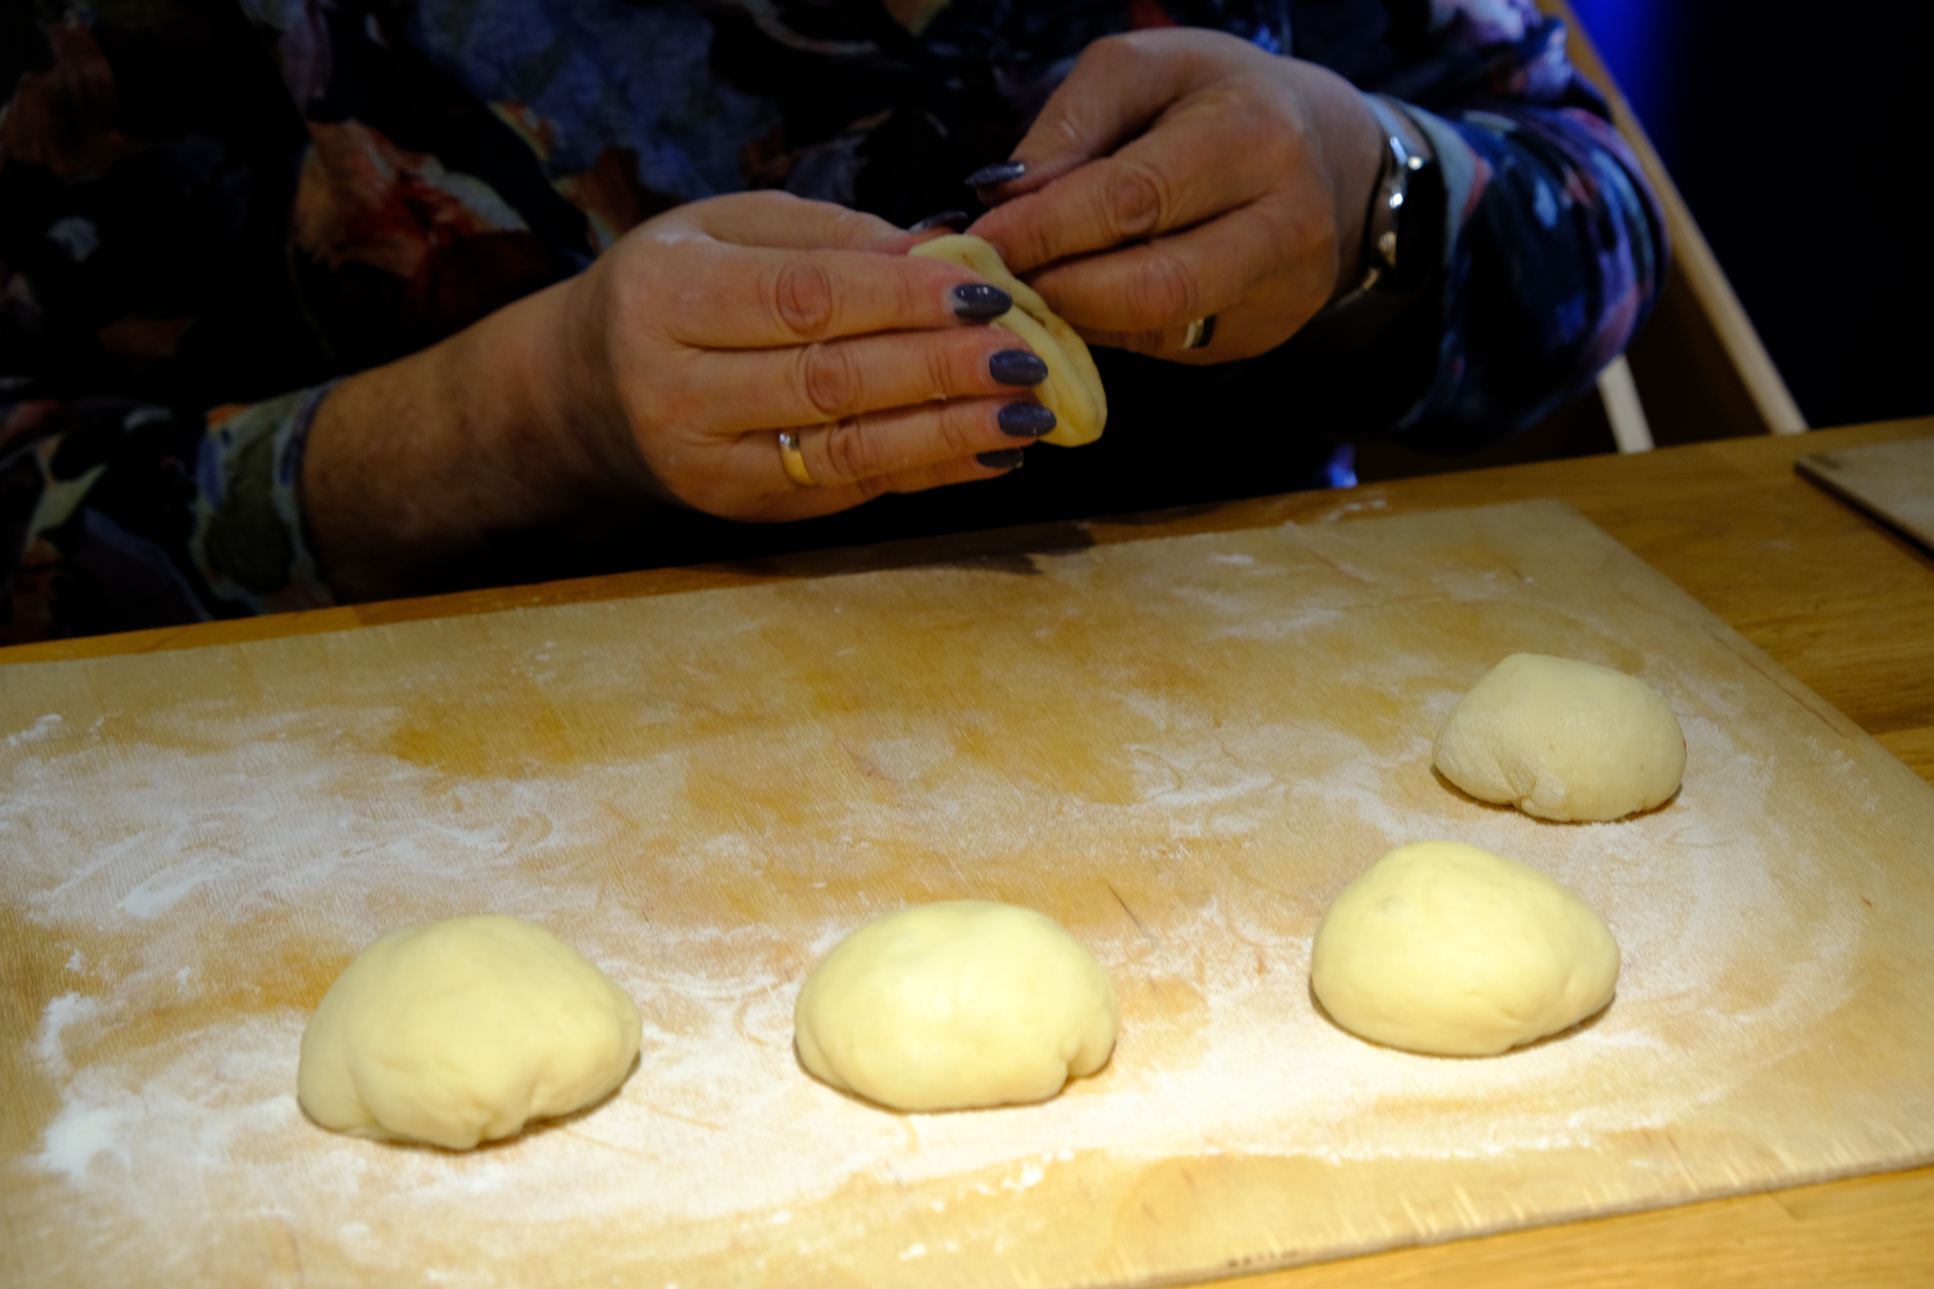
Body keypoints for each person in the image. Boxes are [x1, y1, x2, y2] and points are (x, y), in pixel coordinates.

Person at [0, 0, 1663, 642]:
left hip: (1245, 741)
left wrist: (1375, 188)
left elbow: (1595, 215)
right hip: (411, 809)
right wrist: (529, 418)